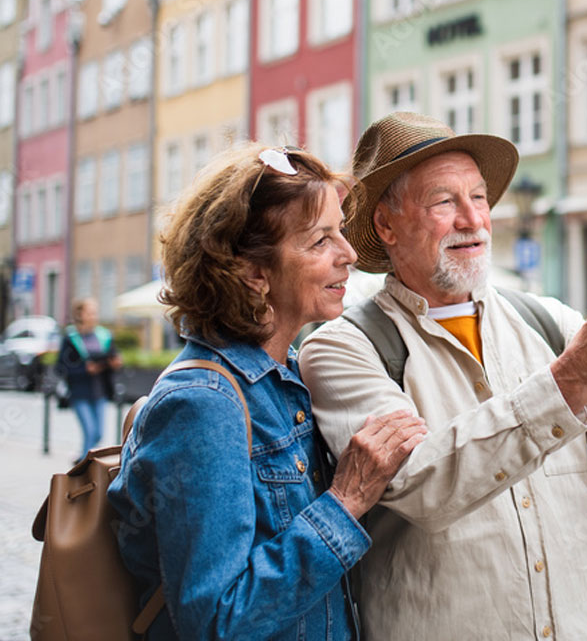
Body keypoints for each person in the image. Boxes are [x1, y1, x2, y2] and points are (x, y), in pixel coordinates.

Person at [299, 112, 587, 640]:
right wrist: (570, 380)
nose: (472, 219)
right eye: (443, 202)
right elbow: (422, 486)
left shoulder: (545, 320)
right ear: (386, 226)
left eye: (478, 197)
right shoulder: (341, 348)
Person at [107, 144, 428, 640]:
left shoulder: (286, 374)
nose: (348, 254)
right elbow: (217, 622)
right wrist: (344, 502)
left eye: (341, 230)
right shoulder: (204, 404)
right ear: (253, 272)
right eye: (321, 240)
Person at [57, 297, 122, 462]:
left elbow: (113, 358)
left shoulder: (104, 336)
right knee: (90, 431)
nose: (94, 316)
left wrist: (114, 363)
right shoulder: (70, 338)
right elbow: (61, 366)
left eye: (95, 313)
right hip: (79, 391)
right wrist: (84, 369)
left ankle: (82, 460)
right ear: (80, 314)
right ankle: (85, 468)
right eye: (90, 313)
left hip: (100, 391)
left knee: (99, 433)